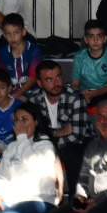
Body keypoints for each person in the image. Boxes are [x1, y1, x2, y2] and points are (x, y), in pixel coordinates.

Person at [26, 59, 91, 193]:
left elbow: (77, 136)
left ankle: (77, 200)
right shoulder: (34, 100)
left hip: (82, 142)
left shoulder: (75, 97)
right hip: (51, 142)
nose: (56, 83)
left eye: (59, 77)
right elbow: (32, 132)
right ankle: (40, 199)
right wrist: (58, 133)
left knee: (72, 153)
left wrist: (50, 136)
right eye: (49, 80)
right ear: (39, 83)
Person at [0, 12, 42, 98]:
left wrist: (18, 94)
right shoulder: (2, 52)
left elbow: (32, 78)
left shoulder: (34, 50)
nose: (12, 37)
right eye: (8, 34)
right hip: (11, 93)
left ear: (23, 32)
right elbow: (3, 77)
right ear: (4, 35)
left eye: (16, 32)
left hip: (33, 93)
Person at [71, 20, 107, 104]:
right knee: (73, 97)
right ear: (86, 39)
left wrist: (94, 94)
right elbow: (75, 84)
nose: (95, 40)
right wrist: (83, 93)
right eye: (91, 36)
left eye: (99, 36)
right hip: (87, 92)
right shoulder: (79, 56)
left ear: (105, 39)